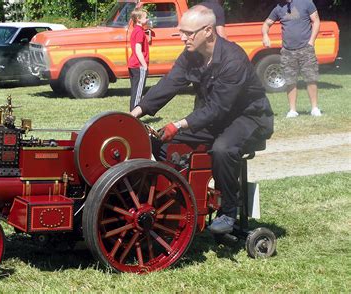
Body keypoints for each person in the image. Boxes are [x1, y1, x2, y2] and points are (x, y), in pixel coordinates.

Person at [130, 6, 274, 234]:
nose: (182, 37)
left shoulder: (233, 60)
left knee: (223, 150)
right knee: (159, 141)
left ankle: (228, 211)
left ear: (208, 31)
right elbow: (168, 84)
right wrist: (134, 113)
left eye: (188, 32)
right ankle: (180, 198)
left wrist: (177, 124)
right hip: (216, 117)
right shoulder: (190, 55)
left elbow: (218, 107)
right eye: (181, 32)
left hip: (249, 118)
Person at [262, 0, 321, 118]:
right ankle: (292, 110)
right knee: (290, 81)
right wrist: (265, 35)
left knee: (311, 78)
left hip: (306, 48)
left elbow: (316, 21)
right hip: (288, 51)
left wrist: (311, 41)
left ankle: (314, 108)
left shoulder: (306, 2)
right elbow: (266, 24)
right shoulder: (279, 8)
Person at [128, 8, 150, 111]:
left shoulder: (136, 30)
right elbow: (138, 50)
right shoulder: (139, 32)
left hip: (133, 65)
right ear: (138, 19)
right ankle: (134, 116)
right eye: (145, 17)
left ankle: (132, 114)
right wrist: (144, 65)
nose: (147, 18)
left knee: (135, 90)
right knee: (138, 93)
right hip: (138, 65)